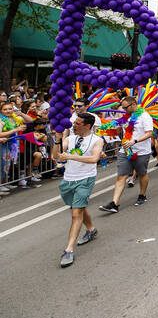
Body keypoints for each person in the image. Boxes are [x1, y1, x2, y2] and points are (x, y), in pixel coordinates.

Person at [56, 112, 103, 268]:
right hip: (68, 180)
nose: (73, 125)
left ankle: (68, 250)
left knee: (76, 213)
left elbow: (93, 159)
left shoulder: (97, 140)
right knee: (79, 208)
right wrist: (58, 140)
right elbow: (56, 156)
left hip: (85, 179)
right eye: (73, 123)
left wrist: (70, 157)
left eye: (77, 123)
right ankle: (91, 229)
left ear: (87, 126)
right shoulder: (69, 139)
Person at [98, 96, 154, 213]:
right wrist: (106, 129)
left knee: (142, 173)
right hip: (125, 150)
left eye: (125, 107)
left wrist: (135, 141)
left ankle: (142, 195)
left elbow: (149, 133)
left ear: (133, 104)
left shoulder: (145, 116)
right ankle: (114, 203)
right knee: (121, 176)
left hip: (141, 151)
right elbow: (119, 130)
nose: (123, 109)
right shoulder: (126, 117)